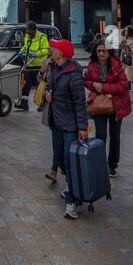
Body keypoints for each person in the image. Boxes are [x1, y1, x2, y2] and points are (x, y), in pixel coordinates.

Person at [45, 40, 89, 219]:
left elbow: (80, 102)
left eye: (53, 48)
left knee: (70, 162)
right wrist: (48, 94)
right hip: (56, 122)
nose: (50, 50)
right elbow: (50, 87)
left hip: (70, 124)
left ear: (61, 53)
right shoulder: (55, 68)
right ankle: (71, 187)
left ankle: (72, 201)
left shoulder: (74, 74)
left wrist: (82, 127)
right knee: (61, 159)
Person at [84, 39, 130, 178]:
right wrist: (93, 84)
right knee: (100, 135)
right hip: (99, 105)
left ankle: (112, 165)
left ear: (109, 52)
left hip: (116, 105)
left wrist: (103, 87)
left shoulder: (116, 64)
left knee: (115, 136)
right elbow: (86, 81)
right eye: (99, 51)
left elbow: (123, 86)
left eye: (104, 51)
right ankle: (100, 162)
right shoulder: (92, 65)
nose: (101, 53)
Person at [14, 21, 49, 110]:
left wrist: (36, 54)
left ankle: (42, 104)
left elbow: (46, 50)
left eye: (27, 29)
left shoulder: (42, 37)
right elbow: (26, 47)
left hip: (38, 65)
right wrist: (21, 51)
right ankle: (24, 103)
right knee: (26, 84)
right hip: (28, 64)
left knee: (40, 86)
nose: (26, 31)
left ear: (32, 30)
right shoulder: (27, 37)